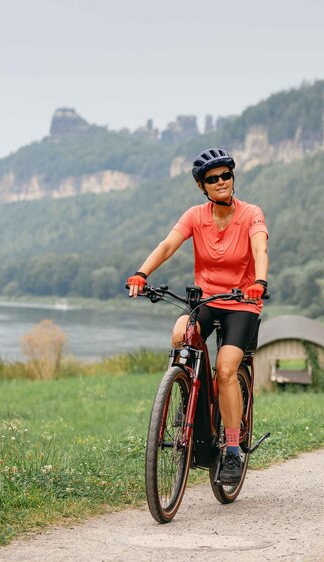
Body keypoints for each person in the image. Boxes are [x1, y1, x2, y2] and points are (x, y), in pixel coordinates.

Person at [126, 147, 269, 484]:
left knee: (227, 369)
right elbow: (167, 245)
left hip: (243, 302)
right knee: (180, 334)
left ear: (233, 178)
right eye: (212, 179)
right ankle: (187, 396)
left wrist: (259, 282)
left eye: (225, 175)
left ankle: (232, 449)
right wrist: (141, 273)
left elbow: (260, 247)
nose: (221, 182)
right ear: (202, 186)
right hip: (207, 298)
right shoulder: (195, 216)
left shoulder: (251, 214)